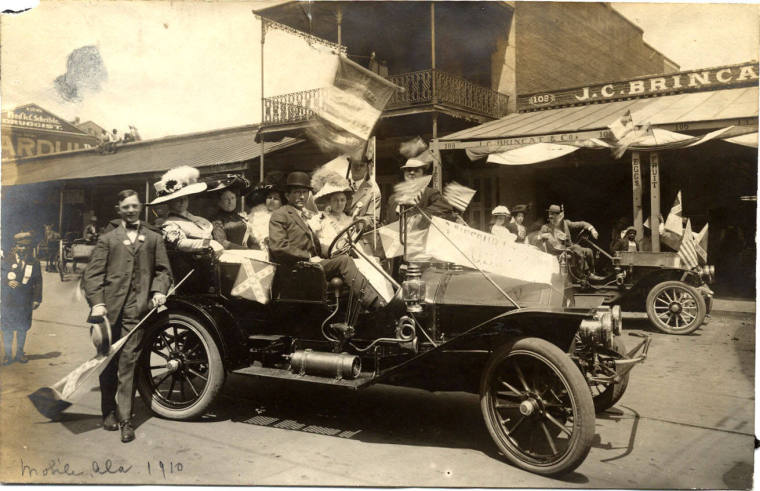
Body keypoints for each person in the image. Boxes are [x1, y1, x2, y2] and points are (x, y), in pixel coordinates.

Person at [83, 189, 173, 443]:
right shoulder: (108, 239)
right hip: (108, 312)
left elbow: (163, 271)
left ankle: (126, 420)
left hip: (137, 311)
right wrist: (97, 304)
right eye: (126, 207)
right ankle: (108, 411)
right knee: (108, 362)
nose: (131, 211)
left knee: (128, 363)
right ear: (118, 210)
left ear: (140, 207)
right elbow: (92, 275)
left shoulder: (154, 238)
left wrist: (158, 291)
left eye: (134, 206)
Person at [268, 171, 385, 311]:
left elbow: (315, 246)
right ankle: (376, 305)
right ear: (287, 195)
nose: (302, 196)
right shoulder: (281, 215)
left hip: (311, 265)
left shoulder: (304, 215)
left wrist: (333, 251)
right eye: (297, 192)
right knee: (344, 261)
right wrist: (308, 257)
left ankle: (363, 308)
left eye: (304, 192)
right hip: (296, 268)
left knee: (352, 260)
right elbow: (278, 247)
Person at [149, 166, 224, 255]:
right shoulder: (169, 224)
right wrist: (208, 243)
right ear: (169, 202)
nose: (182, 202)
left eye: (184, 198)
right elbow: (180, 243)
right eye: (177, 199)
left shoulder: (197, 219)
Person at [1, 232, 42, 365]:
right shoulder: (6, 260)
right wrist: (7, 282)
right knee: (7, 328)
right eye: (20, 246)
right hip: (8, 300)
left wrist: (37, 299)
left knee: (22, 328)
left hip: (25, 301)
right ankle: (8, 355)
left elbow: (38, 281)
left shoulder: (34, 262)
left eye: (26, 246)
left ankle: (20, 353)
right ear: (15, 246)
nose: (23, 249)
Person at [385, 152, 455, 223]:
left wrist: (419, 216)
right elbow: (388, 222)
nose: (412, 173)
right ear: (404, 173)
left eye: (416, 170)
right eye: (409, 170)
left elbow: (445, 207)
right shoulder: (393, 199)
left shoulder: (430, 193)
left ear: (423, 174)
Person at [539, 204, 600, 278]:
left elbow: (582, 224)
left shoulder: (566, 223)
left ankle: (592, 274)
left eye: (554, 216)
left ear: (559, 216)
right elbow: (538, 237)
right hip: (558, 252)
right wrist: (543, 235)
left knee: (589, 251)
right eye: (550, 216)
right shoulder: (546, 227)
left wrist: (592, 229)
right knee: (576, 247)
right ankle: (585, 274)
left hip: (570, 249)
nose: (552, 219)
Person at [309, 172, 354, 257]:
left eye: (342, 200)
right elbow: (310, 236)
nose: (339, 203)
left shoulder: (349, 220)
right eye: (335, 200)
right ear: (329, 202)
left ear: (346, 202)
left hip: (346, 256)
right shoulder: (320, 218)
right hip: (327, 257)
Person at [246, 184, 284, 251]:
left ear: (281, 203)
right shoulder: (255, 215)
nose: (271, 200)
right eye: (269, 197)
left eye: (276, 198)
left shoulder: (284, 218)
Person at [347, 156, 381, 225]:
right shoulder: (341, 185)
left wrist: (356, 221)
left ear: (366, 168)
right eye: (355, 165)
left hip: (357, 230)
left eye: (361, 165)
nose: (358, 168)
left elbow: (373, 219)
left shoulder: (374, 190)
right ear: (350, 166)